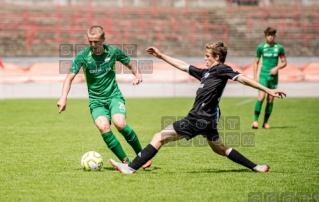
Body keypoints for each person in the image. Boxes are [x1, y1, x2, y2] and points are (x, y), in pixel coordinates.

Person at [109, 41, 286, 174]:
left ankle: (130, 168)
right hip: (207, 120)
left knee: (159, 137)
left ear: (217, 57)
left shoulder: (222, 69)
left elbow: (243, 79)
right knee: (221, 149)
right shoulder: (206, 73)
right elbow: (183, 66)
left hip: (198, 118)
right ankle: (256, 167)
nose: (204, 58)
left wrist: (267, 89)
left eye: (207, 56)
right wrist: (161, 56)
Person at [57, 25, 151, 168]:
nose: (93, 45)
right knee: (103, 127)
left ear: (103, 39)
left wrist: (137, 74)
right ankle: (127, 163)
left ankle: (142, 155)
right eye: (90, 41)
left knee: (120, 124)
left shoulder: (113, 52)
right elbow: (69, 78)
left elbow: (130, 64)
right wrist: (63, 98)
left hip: (114, 96)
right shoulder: (83, 56)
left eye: (96, 41)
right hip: (96, 101)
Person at [252, 27, 287, 129]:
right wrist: (255, 76)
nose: (270, 37)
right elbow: (256, 62)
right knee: (261, 97)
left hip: (273, 77)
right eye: (268, 35)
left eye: (272, 35)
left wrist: (277, 68)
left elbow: (284, 62)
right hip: (263, 76)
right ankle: (255, 121)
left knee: (270, 99)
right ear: (266, 36)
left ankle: (265, 122)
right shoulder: (261, 48)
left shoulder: (279, 48)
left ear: (274, 36)